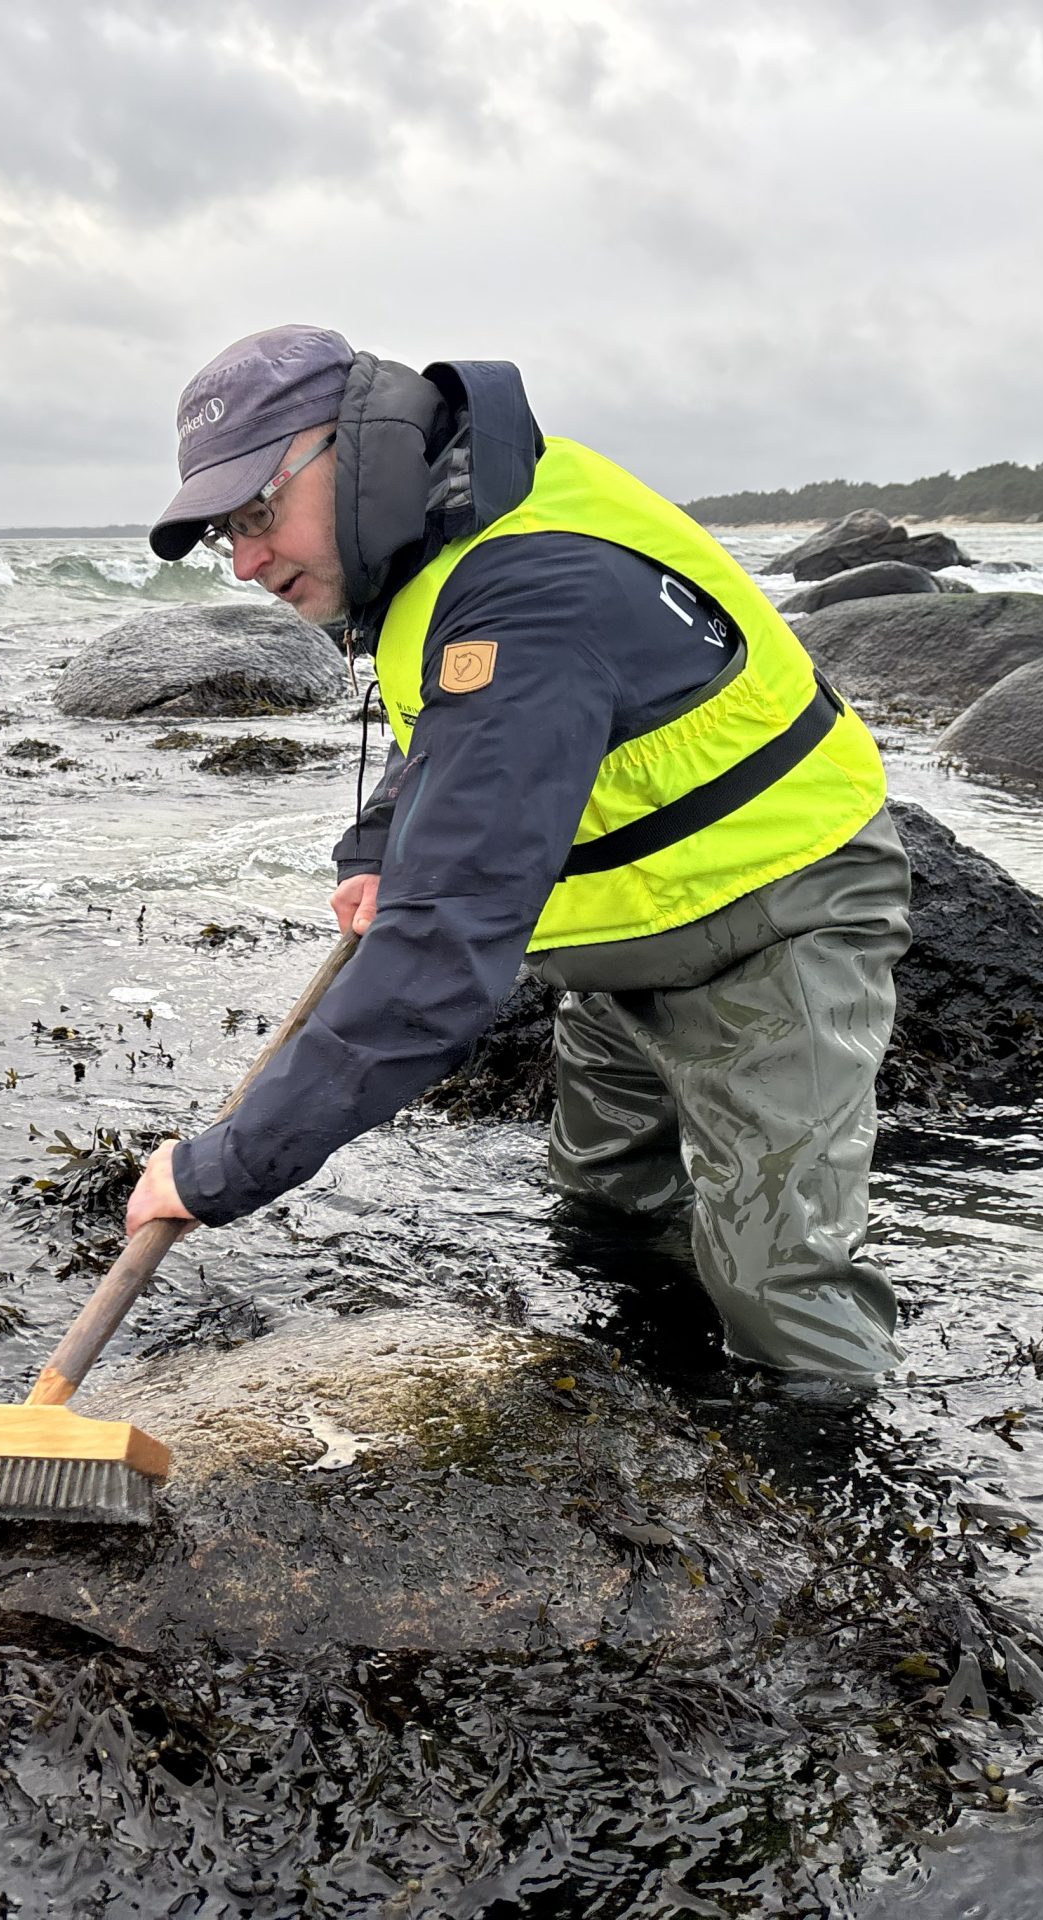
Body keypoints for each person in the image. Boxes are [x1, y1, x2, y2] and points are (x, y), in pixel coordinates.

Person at [122, 324, 911, 1382]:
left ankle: (815, 1468)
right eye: (228, 532)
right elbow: (449, 734)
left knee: (779, 1287)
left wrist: (225, 1165)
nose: (247, 563)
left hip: (773, 909)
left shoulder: (531, 588)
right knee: (606, 1210)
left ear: (353, 453)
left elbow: (440, 955)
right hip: (623, 931)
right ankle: (661, 1408)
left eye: (258, 513)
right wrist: (378, 848)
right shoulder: (433, 538)